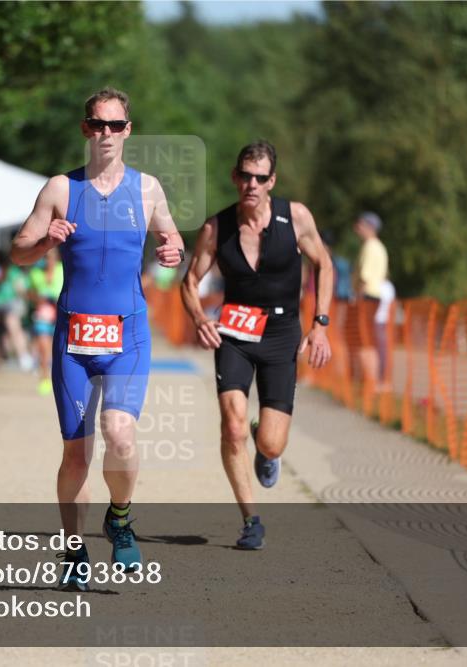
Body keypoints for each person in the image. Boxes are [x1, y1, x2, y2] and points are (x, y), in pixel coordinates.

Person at [11, 87, 184, 589]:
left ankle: (121, 518)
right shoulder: (60, 189)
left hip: (127, 335)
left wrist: (172, 251)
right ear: (85, 128)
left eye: (115, 125)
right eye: (96, 124)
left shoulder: (148, 189)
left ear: (128, 130)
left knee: (121, 433)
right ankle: (73, 549)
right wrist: (46, 240)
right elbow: (19, 250)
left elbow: (171, 236)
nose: (105, 133)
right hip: (73, 340)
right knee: (77, 454)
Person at [180, 140, 333, 550]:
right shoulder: (217, 228)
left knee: (270, 442)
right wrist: (199, 319)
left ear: (272, 181)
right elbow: (191, 281)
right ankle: (251, 521)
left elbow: (324, 264)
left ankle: (264, 444)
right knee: (231, 428)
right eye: (245, 175)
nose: (251, 184)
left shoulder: (295, 216)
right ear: (235, 177)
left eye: (260, 178)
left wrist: (320, 324)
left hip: (282, 335)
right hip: (234, 334)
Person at [352, 212, 389, 393]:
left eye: (360, 224)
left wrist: (357, 297)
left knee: (365, 339)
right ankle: (372, 380)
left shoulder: (370, 247)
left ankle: (371, 381)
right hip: (374, 296)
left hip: (367, 297)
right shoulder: (379, 247)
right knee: (369, 338)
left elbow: (364, 277)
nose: (357, 228)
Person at [28, 249, 64, 395]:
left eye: (50, 257)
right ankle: (44, 378)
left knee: (59, 350)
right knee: (43, 348)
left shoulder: (62, 270)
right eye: (45, 257)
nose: (47, 260)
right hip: (43, 315)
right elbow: (29, 293)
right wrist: (38, 298)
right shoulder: (35, 274)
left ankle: (60, 379)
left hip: (60, 315)